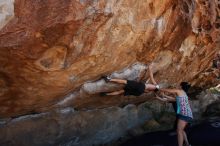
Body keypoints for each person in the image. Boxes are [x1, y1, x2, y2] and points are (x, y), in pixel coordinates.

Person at [160, 82, 193, 146]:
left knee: (179, 131)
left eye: (179, 85)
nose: (177, 86)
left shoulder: (180, 91)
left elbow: (169, 91)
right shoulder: (183, 94)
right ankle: (187, 144)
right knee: (181, 130)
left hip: (184, 114)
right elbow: (171, 99)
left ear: (181, 86)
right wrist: (163, 95)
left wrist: (159, 88)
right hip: (187, 114)